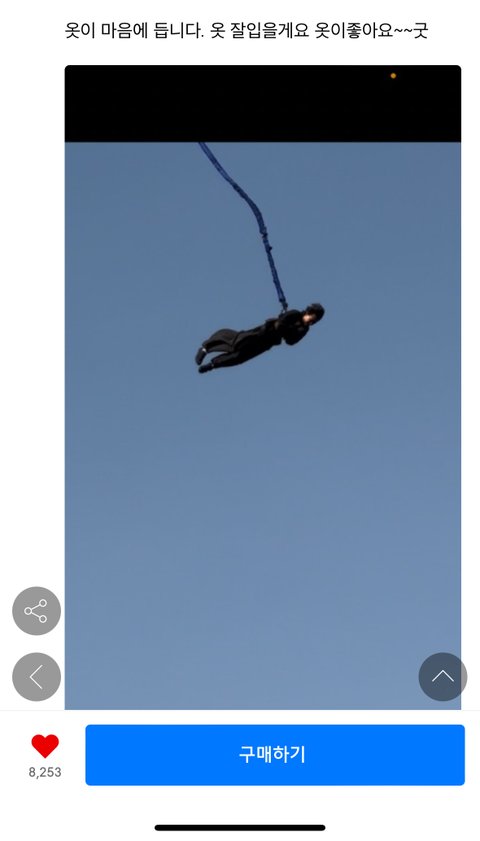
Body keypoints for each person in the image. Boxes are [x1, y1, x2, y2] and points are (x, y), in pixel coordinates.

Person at [195, 303, 325, 373]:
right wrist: (286, 327)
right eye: (311, 318)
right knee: (237, 343)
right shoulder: (295, 314)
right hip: (263, 332)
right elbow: (280, 323)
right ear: (308, 312)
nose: (310, 321)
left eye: (313, 321)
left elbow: (291, 342)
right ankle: (206, 348)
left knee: (240, 357)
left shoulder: (304, 330)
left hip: (268, 343)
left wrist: (290, 332)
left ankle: (213, 365)